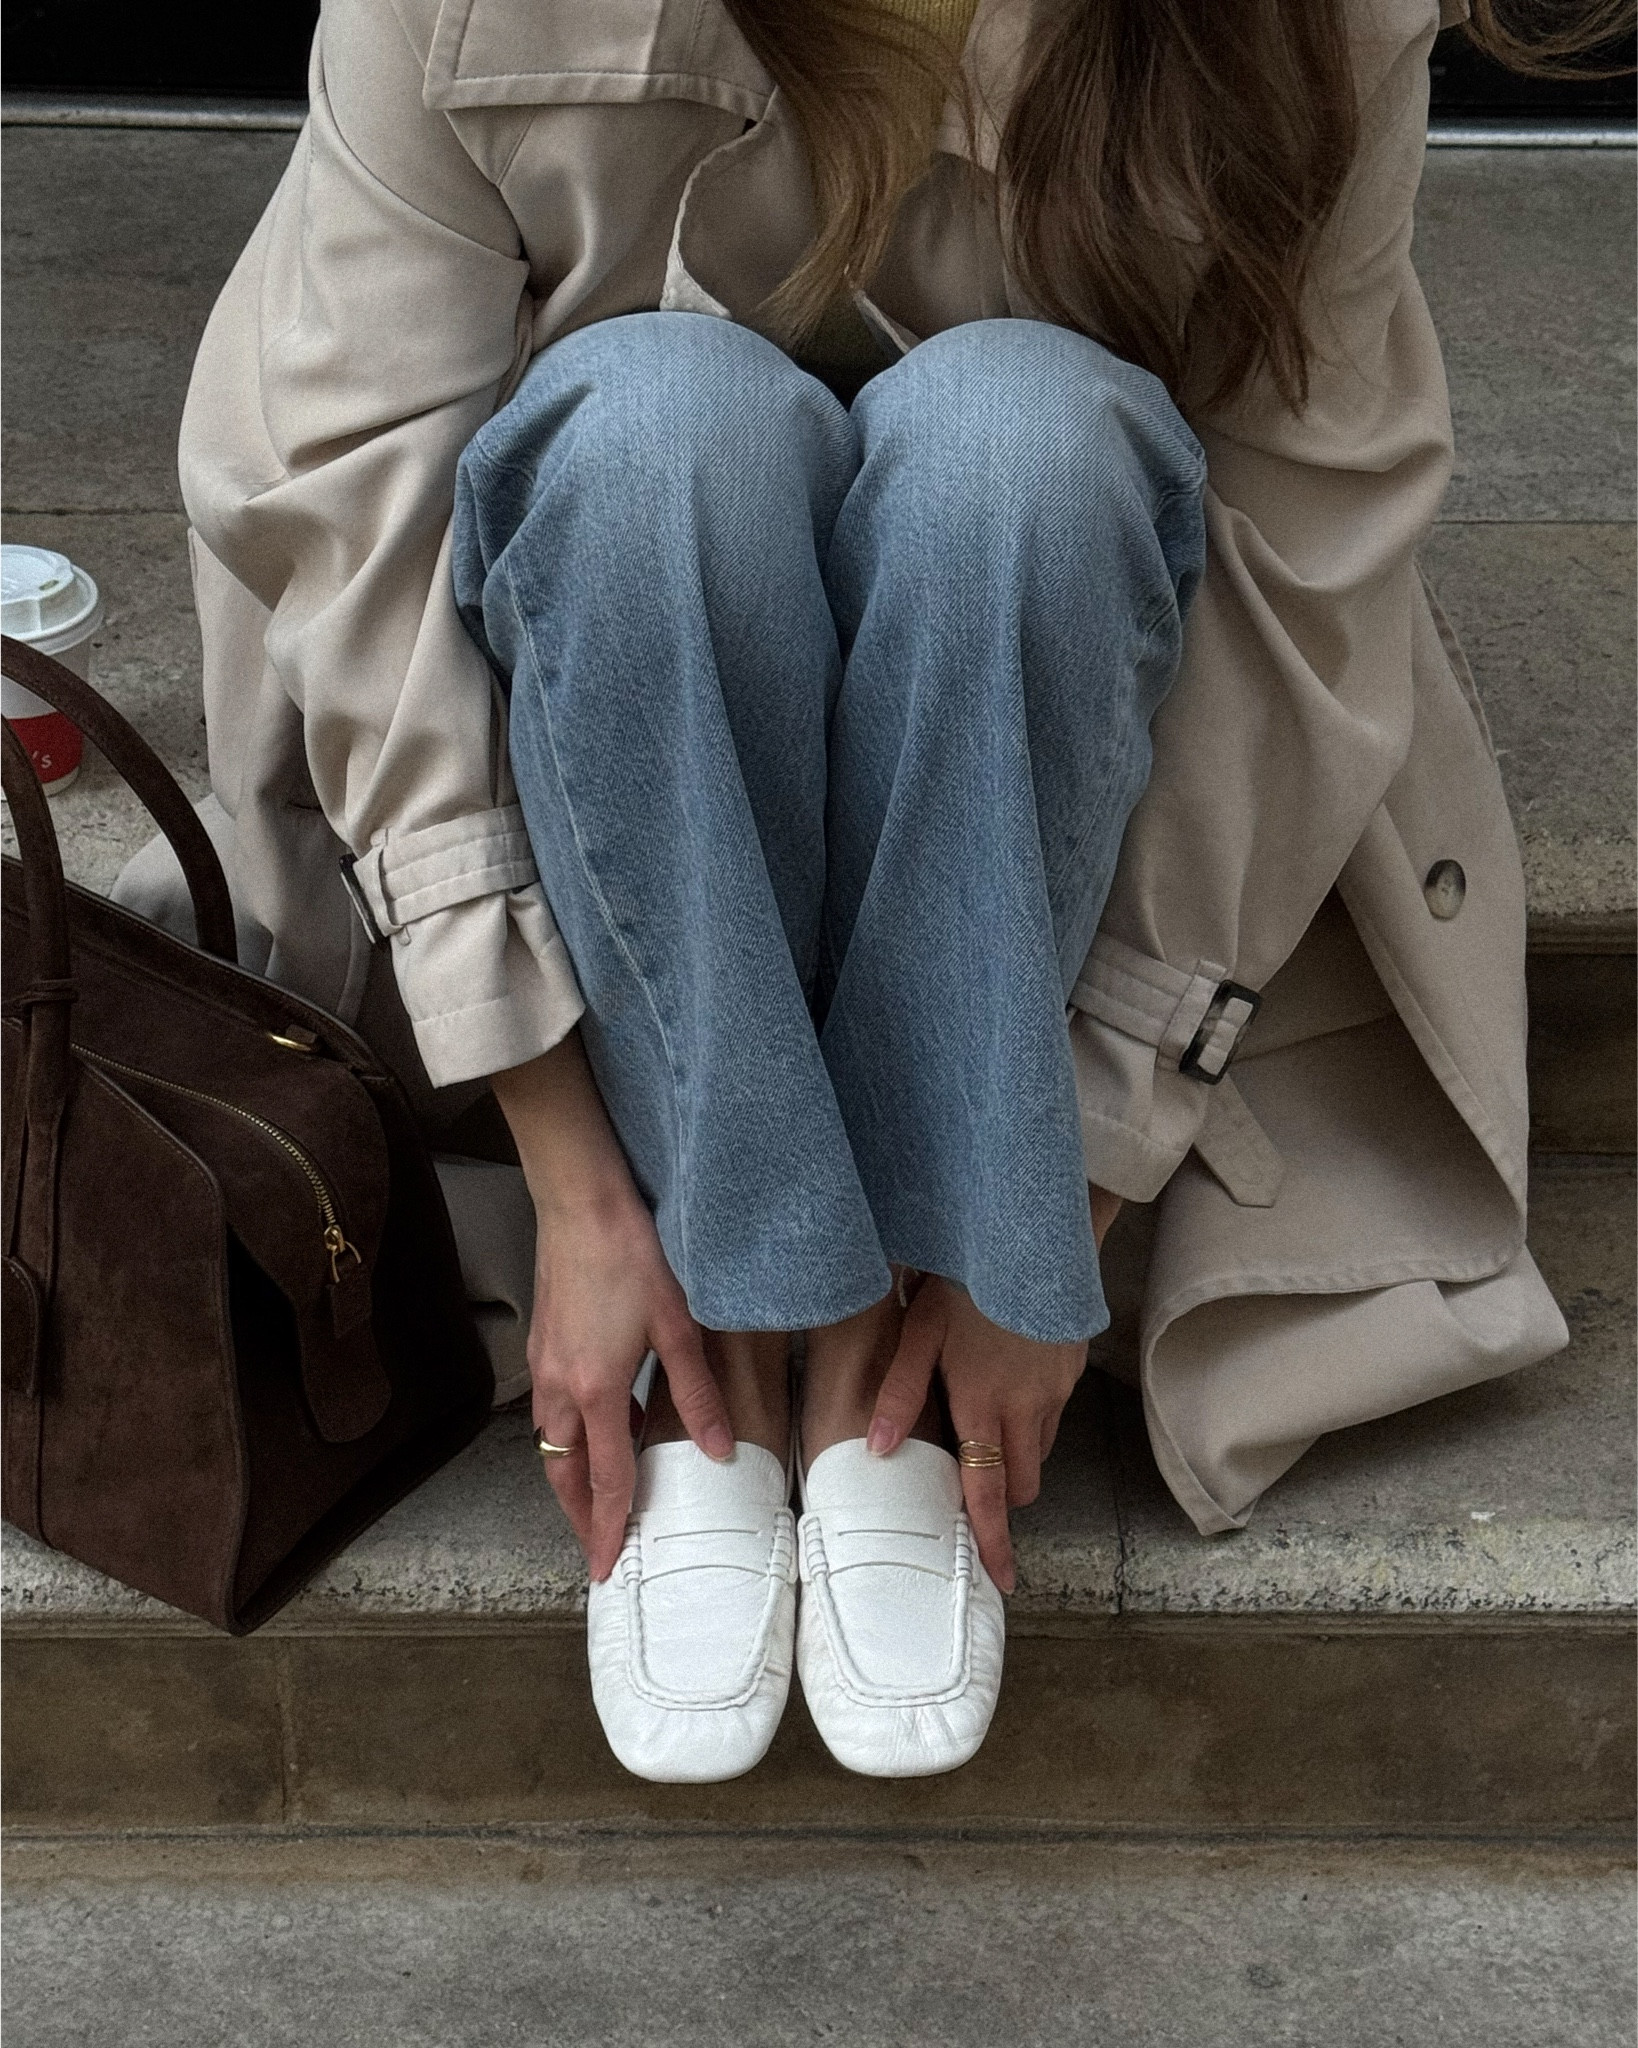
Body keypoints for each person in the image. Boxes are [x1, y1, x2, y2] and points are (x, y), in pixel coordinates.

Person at [136, 0, 1629, 1781]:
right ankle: (722, 1341)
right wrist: (576, 1185)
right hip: (600, 701)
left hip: (1045, 705)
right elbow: (354, 509)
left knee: (1024, 441)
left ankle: (893, 1340)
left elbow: (1300, 541)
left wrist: (1055, 1196)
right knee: (654, 431)